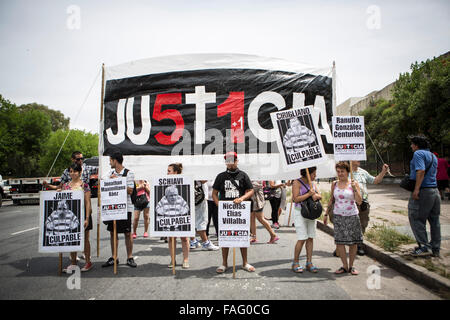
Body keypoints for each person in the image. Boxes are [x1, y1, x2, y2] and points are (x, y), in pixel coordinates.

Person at [213, 152, 255, 273]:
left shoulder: (243, 175)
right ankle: (224, 263)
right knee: (225, 237)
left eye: (233, 160)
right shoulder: (221, 176)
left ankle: (245, 263)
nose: (231, 163)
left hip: (240, 212)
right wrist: (219, 205)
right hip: (226, 213)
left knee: (242, 237)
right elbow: (214, 194)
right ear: (226, 162)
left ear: (237, 161)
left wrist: (242, 198)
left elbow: (251, 190)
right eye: (228, 160)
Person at [324, 161, 363, 275]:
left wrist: (355, 188)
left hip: (352, 215)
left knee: (353, 243)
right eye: (338, 171)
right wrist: (326, 214)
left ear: (347, 172)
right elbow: (331, 199)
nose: (340, 174)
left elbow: (359, 201)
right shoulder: (334, 184)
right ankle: (344, 266)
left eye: (342, 171)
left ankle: (351, 266)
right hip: (338, 216)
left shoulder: (354, 183)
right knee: (339, 242)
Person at [102, 151, 137, 268]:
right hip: (112, 207)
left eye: (110, 160)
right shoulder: (109, 173)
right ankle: (114, 256)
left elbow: (130, 190)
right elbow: (104, 185)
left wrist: (117, 181)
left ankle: (130, 257)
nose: (109, 163)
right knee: (113, 232)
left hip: (125, 207)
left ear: (115, 160)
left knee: (127, 233)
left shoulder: (129, 173)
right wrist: (109, 180)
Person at [407, 135, 440, 257]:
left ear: (416, 145)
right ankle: (435, 247)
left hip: (423, 191)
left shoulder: (418, 154)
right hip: (434, 191)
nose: (411, 146)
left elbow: (420, 171)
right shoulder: (432, 156)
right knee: (434, 220)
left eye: (412, 144)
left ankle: (424, 246)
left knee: (415, 217)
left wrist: (416, 189)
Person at [351, 161, 389, 256]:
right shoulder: (346, 173)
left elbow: (375, 180)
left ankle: (359, 245)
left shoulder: (362, 172)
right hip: (350, 203)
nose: (359, 160)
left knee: (363, 224)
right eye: (357, 158)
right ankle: (341, 246)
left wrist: (383, 172)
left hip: (363, 203)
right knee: (349, 224)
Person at [60, 163, 93, 273]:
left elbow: (88, 202)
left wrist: (87, 218)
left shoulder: (85, 186)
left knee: (85, 240)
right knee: (72, 239)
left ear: (80, 172)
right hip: (70, 216)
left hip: (83, 215)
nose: (72, 173)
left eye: (75, 171)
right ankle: (73, 262)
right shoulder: (65, 186)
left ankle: (88, 262)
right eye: (71, 171)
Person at [291, 167, 321, 273]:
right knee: (302, 238)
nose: (315, 176)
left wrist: (315, 195)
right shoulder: (296, 182)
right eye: (314, 174)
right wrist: (308, 194)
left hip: (311, 213)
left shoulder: (312, 183)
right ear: (307, 173)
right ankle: (295, 262)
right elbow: (295, 198)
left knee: (310, 237)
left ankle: (309, 262)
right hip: (300, 212)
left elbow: (319, 195)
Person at [164, 163, 191, 269]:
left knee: (184, 237)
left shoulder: (185, 182)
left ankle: (185, 259)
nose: (167, 173)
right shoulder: (164, 184)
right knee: (171, 237)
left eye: (169, 171)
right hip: (170, 214)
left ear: (175, 172)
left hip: (181, 214)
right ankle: (172, 260)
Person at [190, 180, 219, 251]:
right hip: (199, 196)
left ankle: (193, 241)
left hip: (193, 194)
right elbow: (203, 180)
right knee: (202, 220)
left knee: (192, 219)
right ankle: (205, 243)